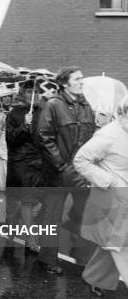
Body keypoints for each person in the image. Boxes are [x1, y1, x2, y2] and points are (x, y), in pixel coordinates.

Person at [36, 67, 95, 274]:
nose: (82, 81)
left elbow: (90, 137)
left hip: (81, 173)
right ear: (64, 83)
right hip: (58, 173)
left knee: (83, 214)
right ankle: (47, 259)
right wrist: (62, 166)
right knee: (52, 216)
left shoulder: (86, 105)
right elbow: (44, 137)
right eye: (77, 79)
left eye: (82, 78)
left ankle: (81, 257)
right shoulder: (53, 105)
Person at [74, 95, 128, 296]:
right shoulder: (108, 135)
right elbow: (81, 160)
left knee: (114, 243)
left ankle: (94, 279)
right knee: (120, 245)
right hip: (113, 198)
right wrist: (108, 180)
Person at [5, 80, 45, 252]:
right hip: (22, 165)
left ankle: (12, 231)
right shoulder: (14, 113)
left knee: (32, 203)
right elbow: (10, 140)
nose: (33, 95)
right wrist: (24, 125)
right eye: (29, 91)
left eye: (36, 92)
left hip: (40, 163)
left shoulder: (44, 111)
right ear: (22, 93)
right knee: (26, 202)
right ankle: (30, 240)